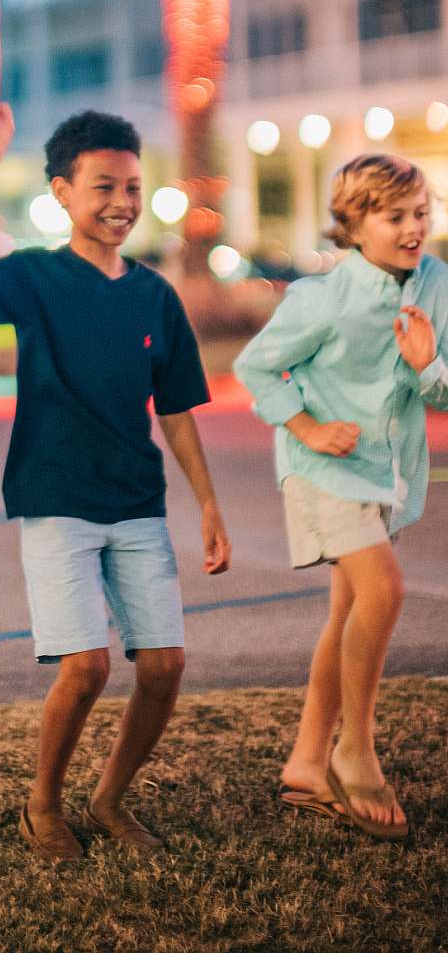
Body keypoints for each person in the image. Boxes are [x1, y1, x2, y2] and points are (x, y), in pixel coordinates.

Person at [0, 103, 230, 862]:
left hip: (137, 503)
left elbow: (177, 409)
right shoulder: (35, 276)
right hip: (56, 497)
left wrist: (208, 504)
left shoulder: (155, 295)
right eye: (104, 187)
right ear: (62, 192)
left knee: (164, 666)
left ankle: (109, 799)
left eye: (133, 187)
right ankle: (43, 805)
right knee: (85, 667)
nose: (122, 203)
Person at [234, 152, 448, 841]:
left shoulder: (437, 285)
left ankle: (305, 762)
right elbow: (256, 368)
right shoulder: (320, 297)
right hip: (321, 467)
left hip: (387, 471)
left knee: (351, 610)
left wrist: (428, 364)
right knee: (384, 591)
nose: (414, 228)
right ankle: (354, 751)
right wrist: (308, 427)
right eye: (395, 217)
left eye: (421, 213)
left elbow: (442, 391)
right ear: (353, 226)